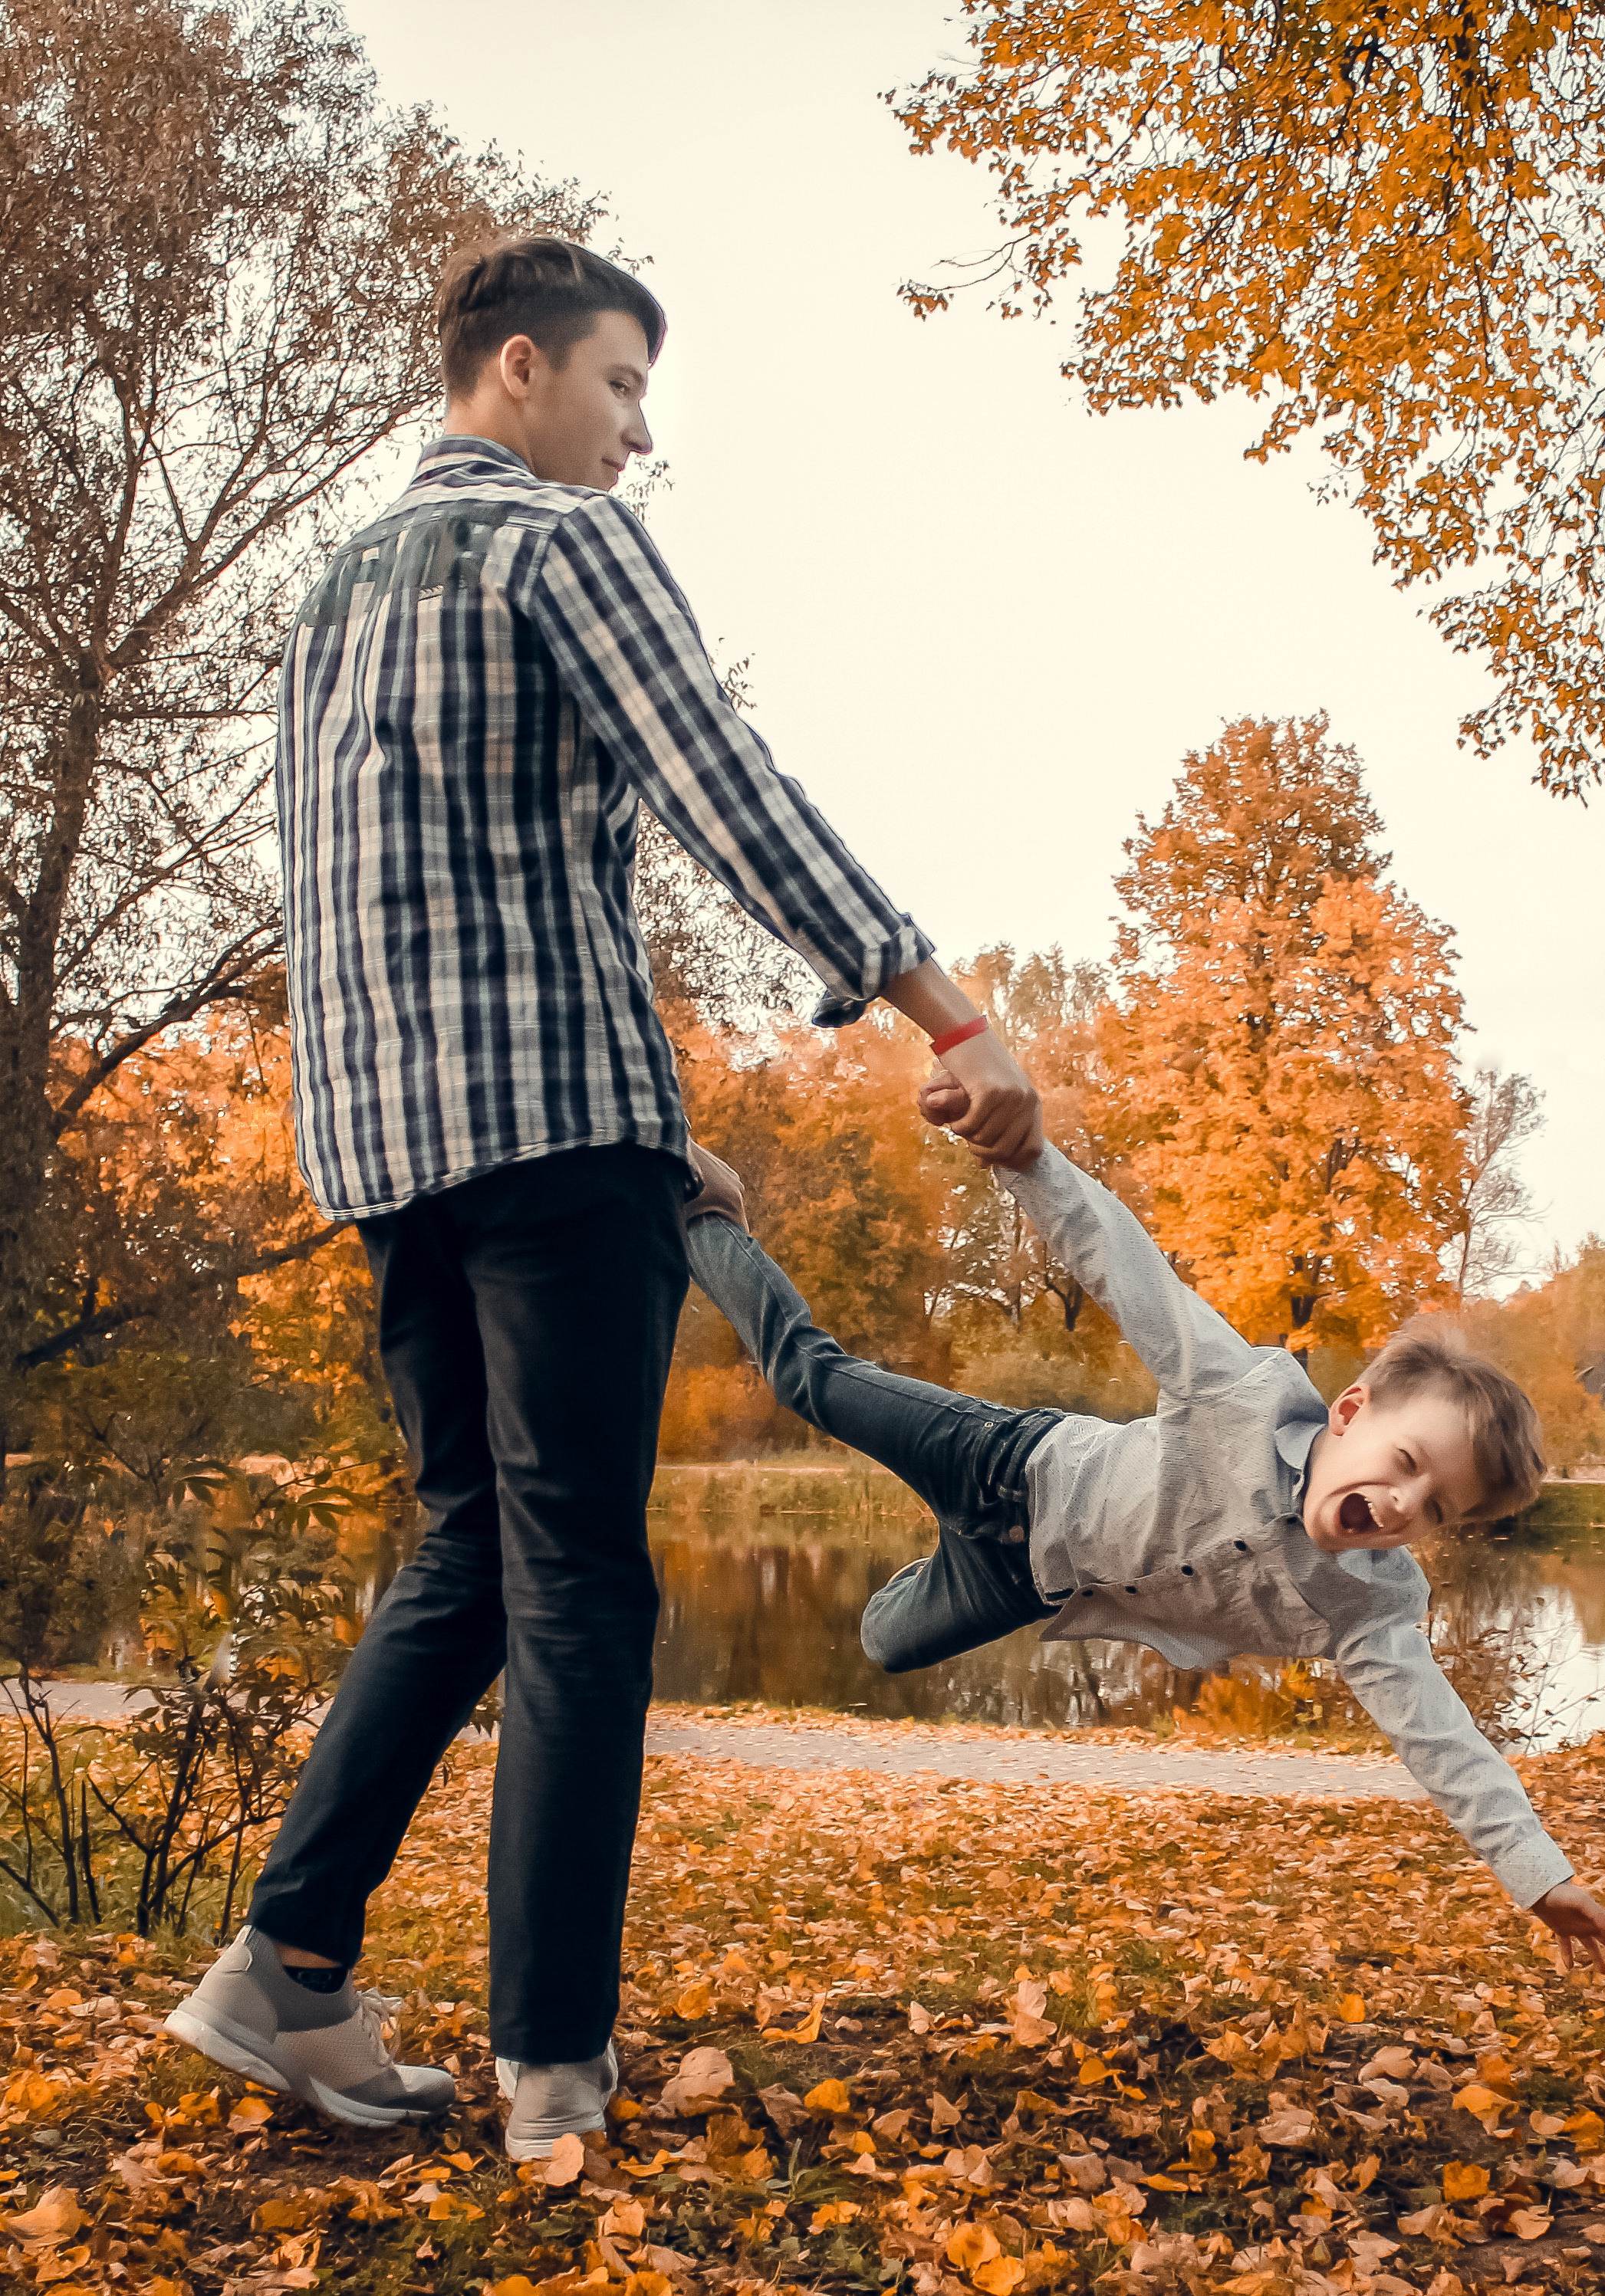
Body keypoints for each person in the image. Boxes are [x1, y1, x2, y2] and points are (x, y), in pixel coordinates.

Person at [165, 237, 1041, 2160]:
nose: (640, 432)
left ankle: (283, 1970)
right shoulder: (553, 544)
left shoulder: (327, 597)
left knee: (474, 1546)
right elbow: (728, 782)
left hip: (397, 1153)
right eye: (624, 386)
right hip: (548, 1141)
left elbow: (399, 895)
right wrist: (946, 1009)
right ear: (517, 371)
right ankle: (551, 2058)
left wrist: (653, 1131)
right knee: (579, 1584)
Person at [682, 1128, 1605, 1979]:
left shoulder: (1368, 1610)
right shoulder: (1239, 1395)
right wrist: (1024, 1157)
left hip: (1021, 1583)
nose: (1401, 1504)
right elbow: (1122, 1264)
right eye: (1405, 1464)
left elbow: (1447, 1744)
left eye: (1434, 1510)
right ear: (1349, 1414)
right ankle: (703, 1214)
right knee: (805, 1377)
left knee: (884, 1641)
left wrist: (1536, 1876)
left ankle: (935, 1554)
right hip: (1006, 1465)